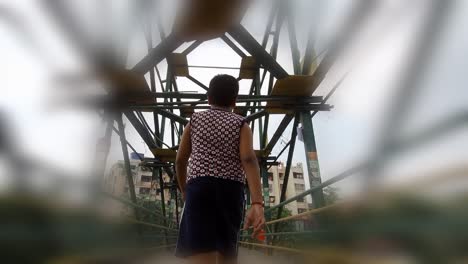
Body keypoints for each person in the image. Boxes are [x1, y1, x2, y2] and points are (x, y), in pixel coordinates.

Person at [175, 74, 265, 263]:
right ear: (235, 100)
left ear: (208, 98)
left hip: (199, 187)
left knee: (200, 246)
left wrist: (185, 190)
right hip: (231, 189)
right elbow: (248, 159)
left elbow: (181, 160)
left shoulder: (194, 121)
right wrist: (257, 202)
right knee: (227, 247)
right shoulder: (241, 124)